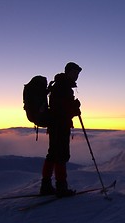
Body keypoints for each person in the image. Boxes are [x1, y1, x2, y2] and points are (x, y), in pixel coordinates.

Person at [40, 62, 82, 197]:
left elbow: (59, 107)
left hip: (54, 125)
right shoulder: (63, 87)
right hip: (60, 125)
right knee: (61, 155)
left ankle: (46, 186)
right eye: (75, 73)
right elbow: (63, 110)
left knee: (52, 154)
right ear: (68, 72)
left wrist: (72, 107)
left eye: (78, 74)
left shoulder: (59, 85)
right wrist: (75, 108)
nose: (76, 76)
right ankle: (61, 187)